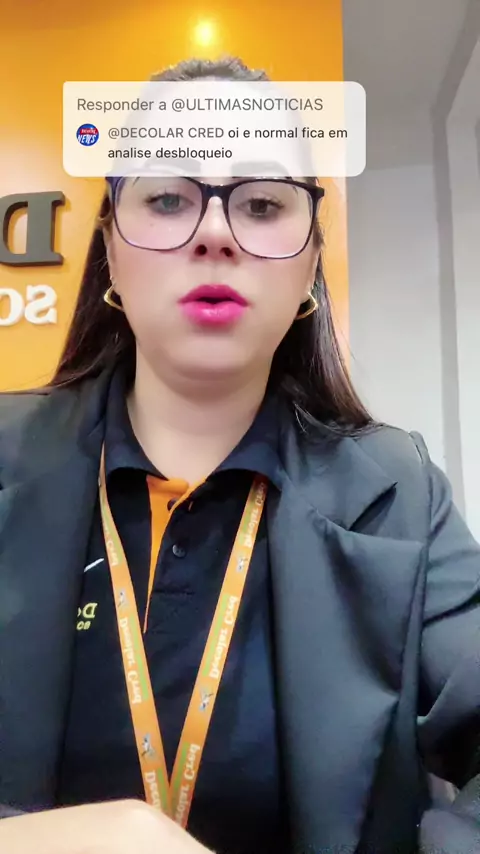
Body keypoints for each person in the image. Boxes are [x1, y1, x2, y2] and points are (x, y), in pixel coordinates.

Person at [0, 55, 479, 854]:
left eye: (261, 204)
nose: (216, 233)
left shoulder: (399, 495)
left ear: (311, 263)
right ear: (111, 249)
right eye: (166, 197)